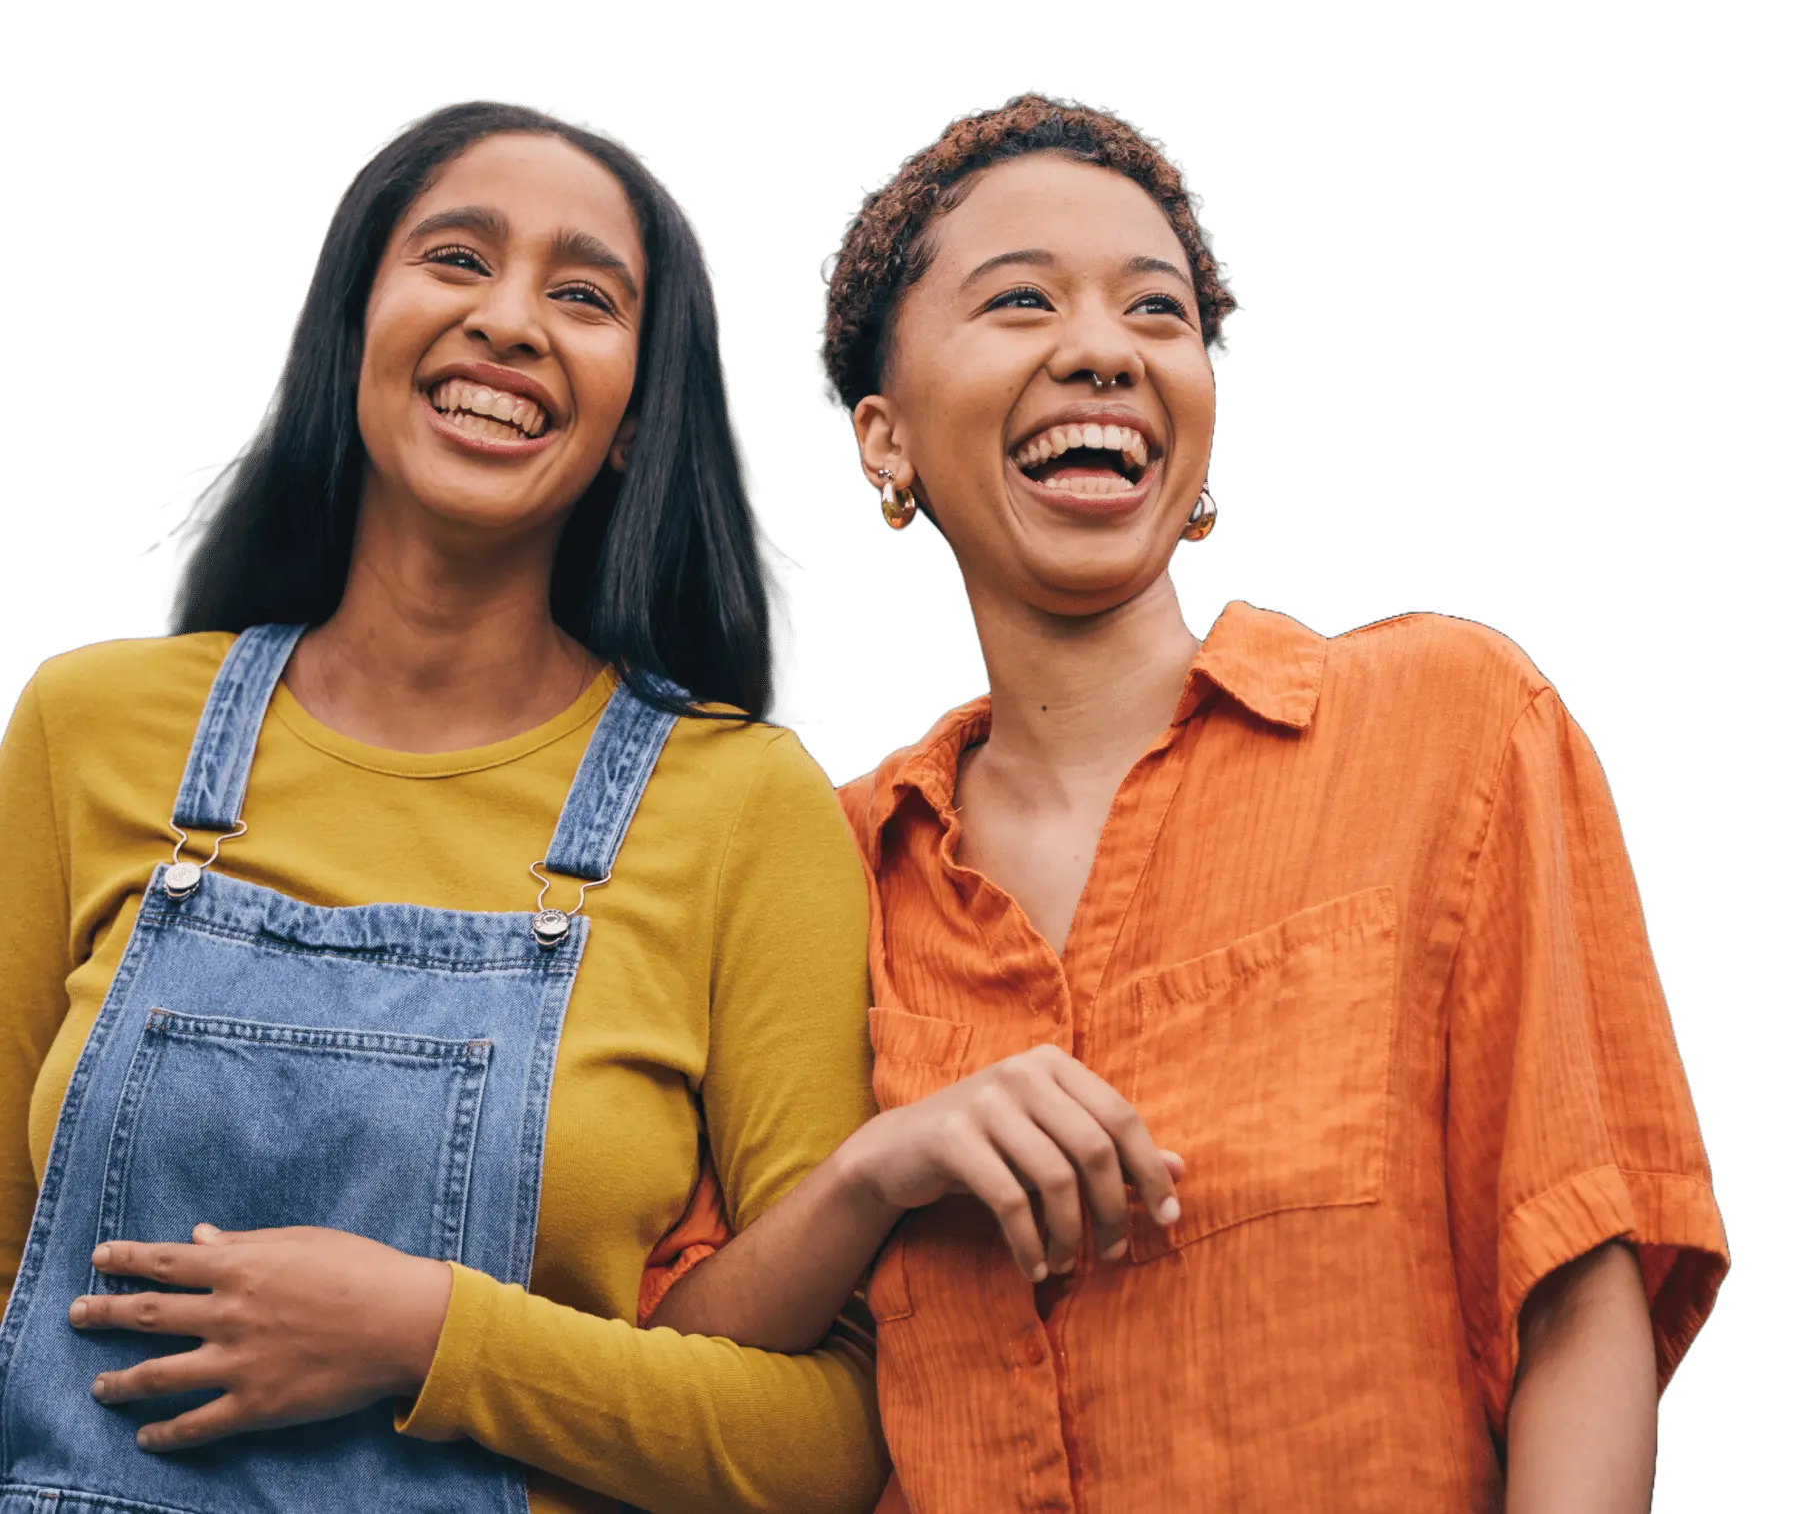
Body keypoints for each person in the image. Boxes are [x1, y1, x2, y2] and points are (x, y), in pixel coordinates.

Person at [647, 94, 1730, 1513]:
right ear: (883, 439)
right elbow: (677, 1370)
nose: (1102, 349)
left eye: (1157, 314)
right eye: (1020, 300)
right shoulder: (816, 862)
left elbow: (1579, 1293)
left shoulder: (1450, 727)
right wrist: (878, 1173)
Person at [0, 100, 886, 1514]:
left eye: (584, 295)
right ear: (354, 324)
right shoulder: (90, 730)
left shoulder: (740, 807)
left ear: (630, 419)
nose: (513, 322)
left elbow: (835, 1441)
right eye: (457, 259)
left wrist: (426, 1338)